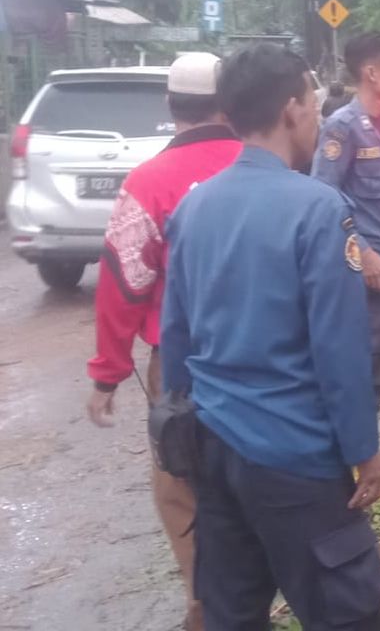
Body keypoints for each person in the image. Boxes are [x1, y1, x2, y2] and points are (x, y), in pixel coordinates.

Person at [159, 43, 380, 629]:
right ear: (292, 109)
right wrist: (365, 452)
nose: (316, 113)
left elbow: (176, 336)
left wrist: (187, 436)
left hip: (214, 449)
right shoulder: (319, 209)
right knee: (347, 613)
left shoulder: (194, 207)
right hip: (296, 457)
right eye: (312, 101)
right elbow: (339, 350)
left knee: (232, 612)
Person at [84, 52, 240, 631]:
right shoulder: (264, 165)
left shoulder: (148, 181)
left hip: (180, 365)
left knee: (180, 481)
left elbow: (123, 281)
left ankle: (205, 607)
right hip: (266, 352)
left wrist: (107, 372)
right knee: (258, 470)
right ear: (228, 104)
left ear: (170, 105)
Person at [312, 32, 380, 405]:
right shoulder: (341, 127)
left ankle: (364, 452)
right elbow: (323, 195)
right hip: (362, 271)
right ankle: (353, 455)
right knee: (359, 367)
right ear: (371, 73)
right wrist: (362, 249)